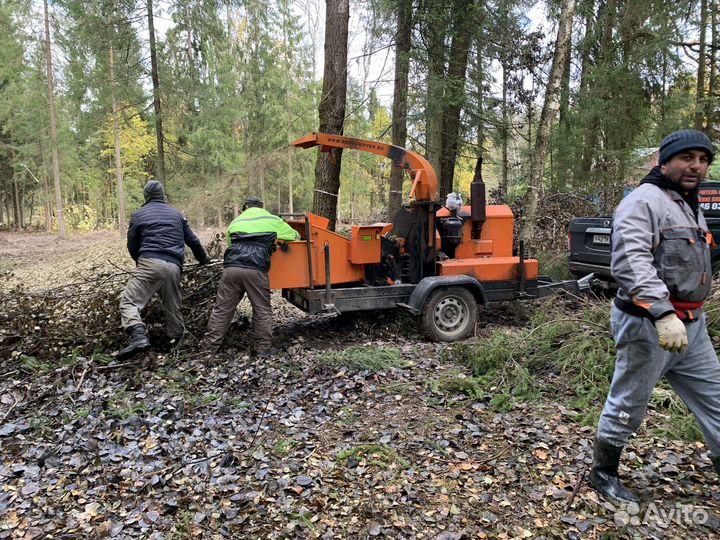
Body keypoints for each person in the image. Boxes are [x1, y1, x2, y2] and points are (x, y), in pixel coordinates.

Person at [589, 129, 720, 504]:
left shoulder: (687, 203)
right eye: (687, 158)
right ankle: (603, 473)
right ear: (664, 161)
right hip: (650, 325)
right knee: (629, 400)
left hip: (692, 328)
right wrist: (662, 313)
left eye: (703, 159)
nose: (696, 166)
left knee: (715, 399)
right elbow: (632, 261)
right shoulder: (643, 202)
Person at [117, 180, 209, 360]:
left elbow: (132, 244)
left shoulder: (139, 215)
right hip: (174, 266)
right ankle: (176, 343)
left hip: (150, 262)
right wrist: (204, 260)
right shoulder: (177, 215)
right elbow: (193, 241)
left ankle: (139, 337)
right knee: (172, 307)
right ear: (163, 196)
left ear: (146, 197)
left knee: (128, 302)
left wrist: (141, 262)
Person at [200, 196, 300, 356]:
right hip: (255, 269)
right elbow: (295, 236)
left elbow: (231, 244)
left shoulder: (235, 222)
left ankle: (208, 349)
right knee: (262, 309)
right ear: (261, 207)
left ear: (244, 208)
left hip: (232, 268)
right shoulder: (272, 219)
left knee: (222, 309)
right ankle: (263, 350)